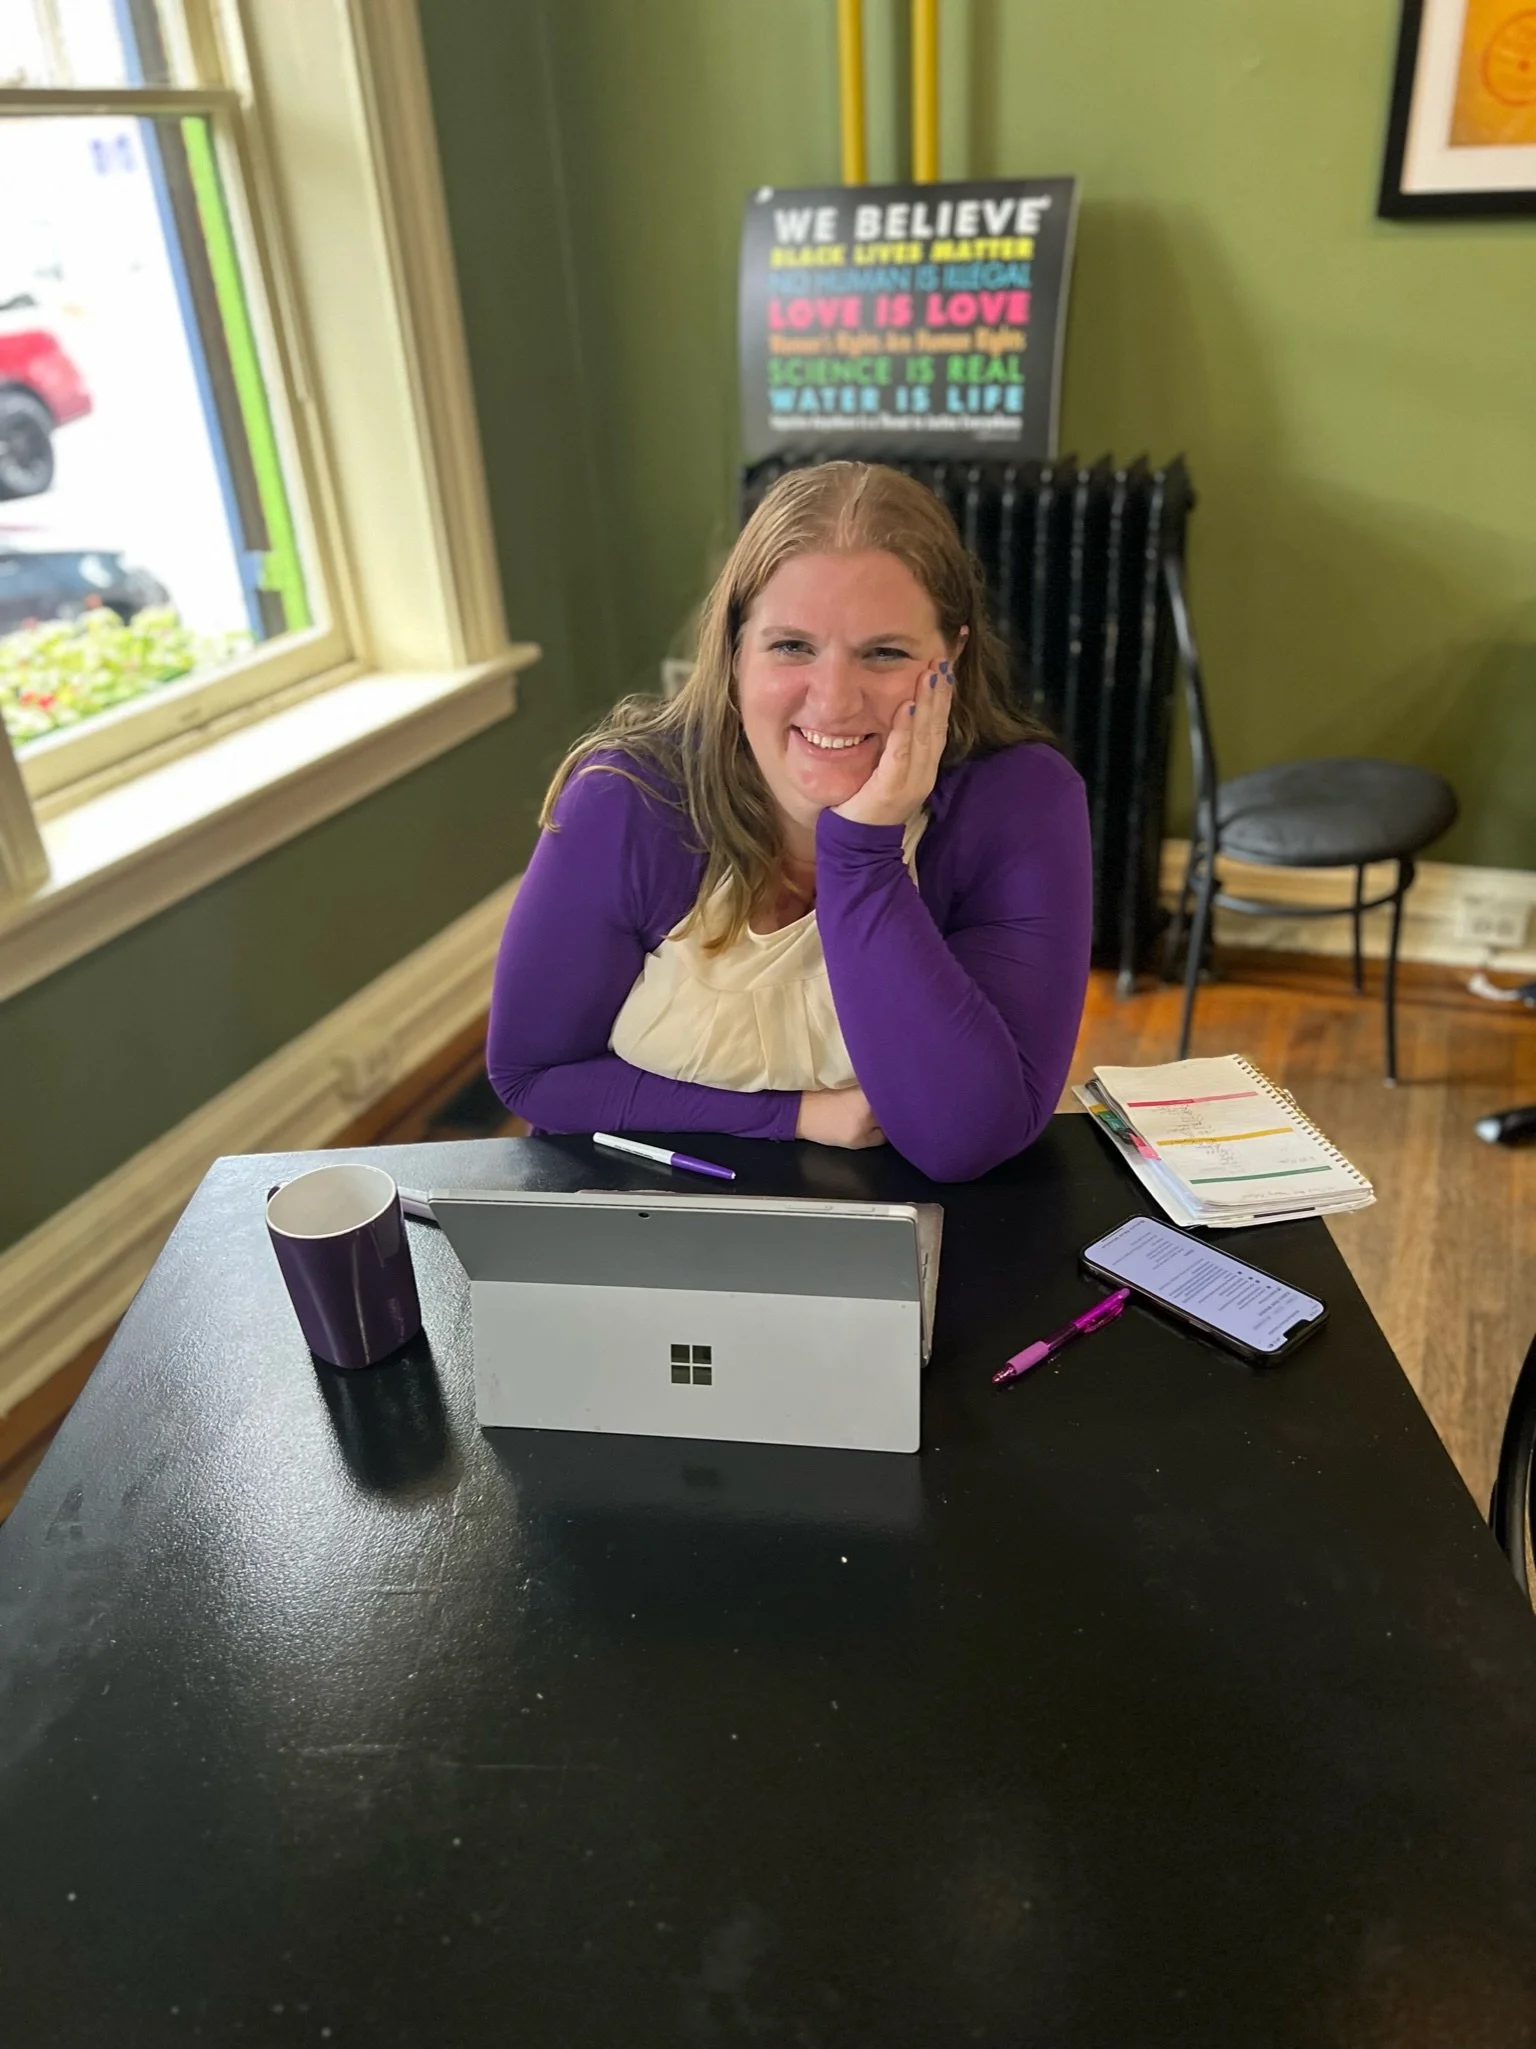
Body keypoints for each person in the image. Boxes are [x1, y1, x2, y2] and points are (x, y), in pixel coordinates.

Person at [487, 460, 1093, 1182]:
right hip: (649, 1211)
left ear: (951, 658)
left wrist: (862, 854)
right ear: (735, 647)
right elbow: (532, 1078)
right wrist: (794, 1113)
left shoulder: (1023, 803)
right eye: (792, 646)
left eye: (885, 652)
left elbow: (965, 1136)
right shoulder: (626, 803)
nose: (834, 701)